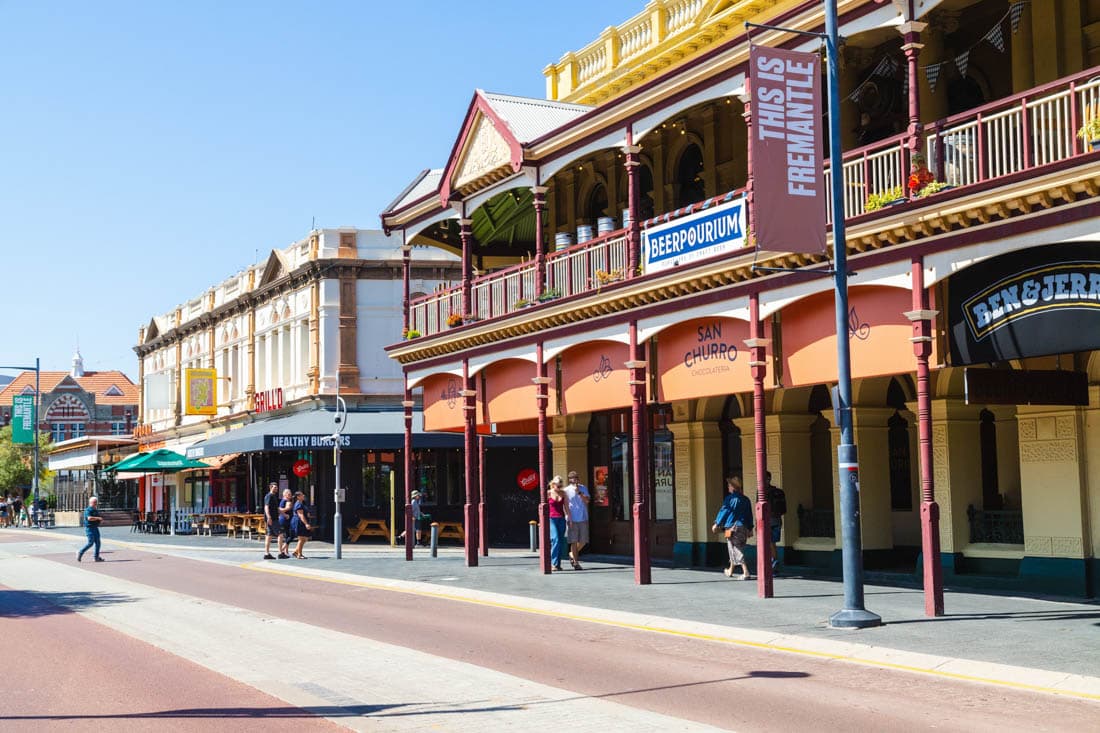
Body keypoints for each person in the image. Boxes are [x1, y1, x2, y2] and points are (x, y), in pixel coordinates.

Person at [712, 476, 753, 580]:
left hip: (732, 528)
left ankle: (746, 572)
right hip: (743, 527)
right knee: (733, 548)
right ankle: (730, 570)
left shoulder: (729, 499)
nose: (728, 487)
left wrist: (716, 523)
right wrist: (750, 528)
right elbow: (749, 515)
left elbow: (724, 511)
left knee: (736, 549)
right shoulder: (746, 499)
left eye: (729, 485)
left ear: (733, 487)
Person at [564, 470, 590, 570]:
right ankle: (576, 562)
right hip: (572, 518)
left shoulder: (583, 488)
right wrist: (567, 516)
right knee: (573, 541)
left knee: (583, 541)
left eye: (576, 478)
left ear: (578, 479)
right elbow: (565, 505)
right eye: (572, 478)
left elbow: (587, 501)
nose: (574, 480)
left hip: (583, 517)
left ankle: (571, 554)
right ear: (569, 480)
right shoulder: (566, 490)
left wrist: (579, 493)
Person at [765, 471, 787, 572]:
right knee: (772, 543)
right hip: (777, 520)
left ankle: (772, 563)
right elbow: (784, 510)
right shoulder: (779, 492)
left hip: (767, 521)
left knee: (768, 542)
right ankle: (774, 561)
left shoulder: (762, 492)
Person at [547, 476, 567, 571]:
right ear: (553, 484)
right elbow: (544, 506)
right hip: (551, 519)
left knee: (561, 541)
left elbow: (566, 507)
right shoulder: (548, 493)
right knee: (556, 539)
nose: (559, 487)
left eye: (560, 485)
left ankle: (558, 564)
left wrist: (569, 518)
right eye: (557, 485)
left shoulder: (563, 493)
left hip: (561, 519)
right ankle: (553, 563)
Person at [77, 496, 105, 562]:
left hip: (95, 528)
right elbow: (89, 518)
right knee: (90, 543)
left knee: (98, 543)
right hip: (89, 528)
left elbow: (97, 518)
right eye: (94, 502)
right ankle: (80, 552)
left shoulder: (95, 510)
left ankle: (96, 557)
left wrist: (100, 520)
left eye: (96, 502)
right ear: (91, 502)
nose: (96, 504)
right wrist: (98, 518)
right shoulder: (88, 510)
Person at [290, 491, 313, 559]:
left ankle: (296, 552)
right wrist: (306, 524)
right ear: (298, 497)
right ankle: (299, 554)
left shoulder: (301, 503)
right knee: (301, 538)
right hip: (299, 522)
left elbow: (305, 513)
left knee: (305, 538)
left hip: (301, 522)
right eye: (302, 495)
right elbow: (301, 515)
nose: (303, 495)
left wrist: (308, 514)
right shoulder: (298, 504)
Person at [262, 482, 281, 560]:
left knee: (269, 536)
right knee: (281, 534)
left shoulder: (273, 496)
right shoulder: (269, 496)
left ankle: (266, 553)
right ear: (270, 488)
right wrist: (269, 517)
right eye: (274, 487)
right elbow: (266, 507)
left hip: (273, 518)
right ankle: (281, 553)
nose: (276, 489)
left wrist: (283, 513)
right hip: (273, 519)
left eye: (276, 487)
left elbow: (276, 508)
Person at [277, 489, 293, 558]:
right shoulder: (285, 501)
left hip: (286, 520)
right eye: (289, 494)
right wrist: (285, 512)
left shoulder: (283, 501)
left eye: (290, 494)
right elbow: (283, 509)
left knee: (287, 535)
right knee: (289, 536)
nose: (290, 495)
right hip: (284, 520)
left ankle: (285, 551)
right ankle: (281, 551)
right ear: (285, 495)